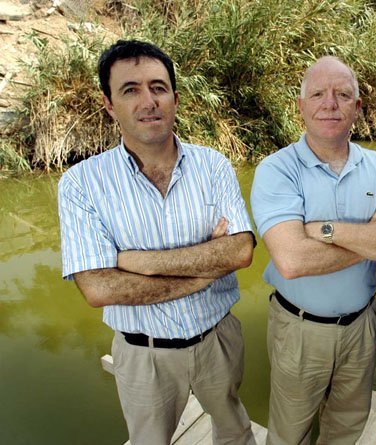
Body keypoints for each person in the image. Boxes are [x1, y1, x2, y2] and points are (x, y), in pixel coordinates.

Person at [58, 40, 256, 445]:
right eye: (130, 90)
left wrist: (139, 262)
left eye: (158, 87)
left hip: (218, 339)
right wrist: (204, 271)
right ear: (109, 104)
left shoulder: (213, 165)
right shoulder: (81, 184)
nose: (148, 101)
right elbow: (98, 288)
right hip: (142, 355)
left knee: (235, 431)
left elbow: (239, 251)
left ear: (175, 98)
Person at [250, 56, 376, 444]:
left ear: (357, 107)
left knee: (347, 428)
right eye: (318, 94)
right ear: (301, 106)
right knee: (290, 434)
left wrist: (325, 230)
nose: (330, 104)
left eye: (343, 95)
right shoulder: (277, 169)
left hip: (361, 327)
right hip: (299, 329)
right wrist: (373, 238)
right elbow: (291, 261)